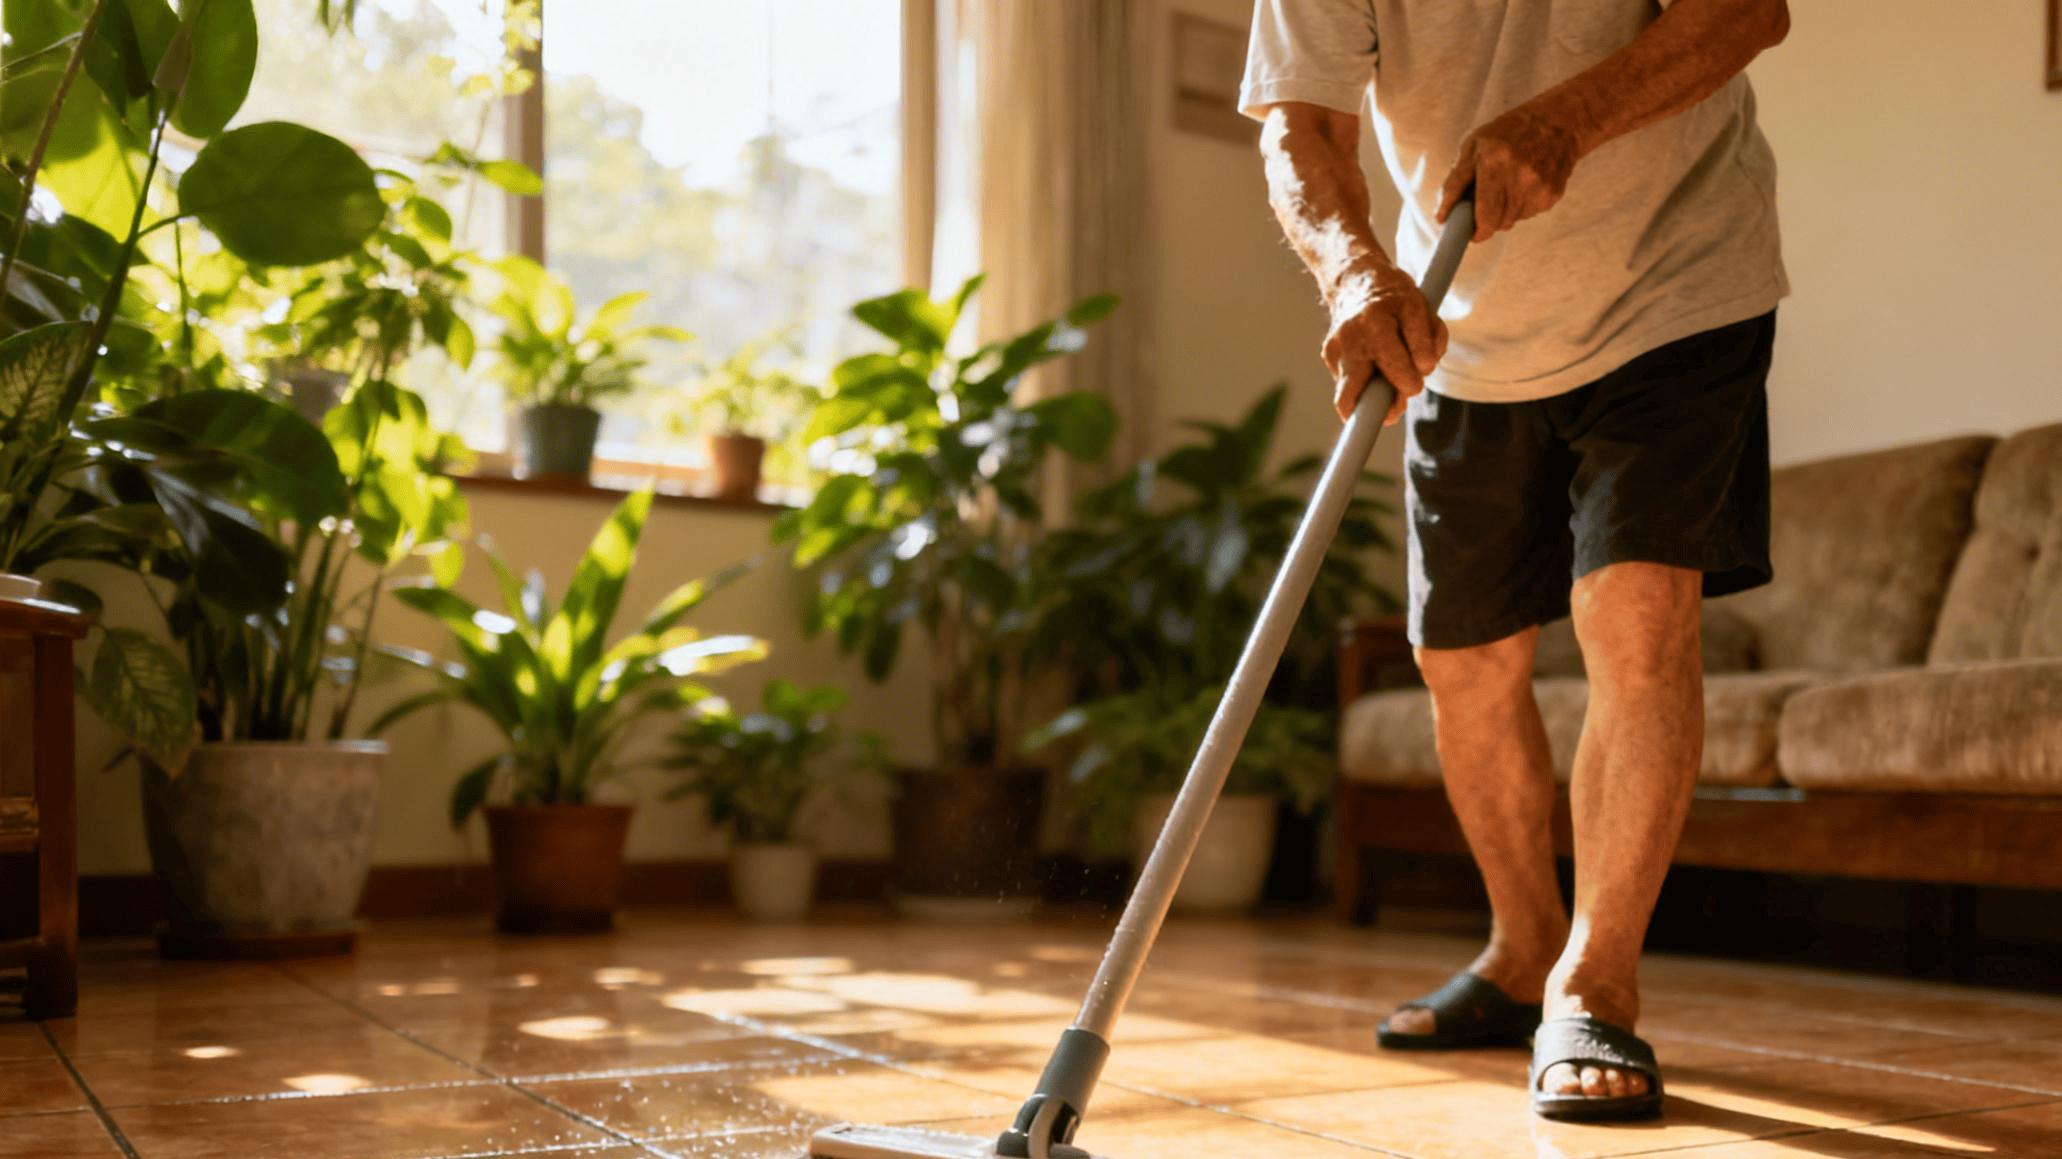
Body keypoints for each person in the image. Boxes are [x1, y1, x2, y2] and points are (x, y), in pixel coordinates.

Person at [1242, 0, 1792, 1121]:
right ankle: (1519, 948)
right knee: (1462, 660)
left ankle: (1593, 984)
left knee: (1632, 609)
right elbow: (1301, 127)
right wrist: (1353, 269)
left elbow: (1745, 10)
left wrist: (1569, 116)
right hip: (1459, 323)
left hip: (1675, 281)